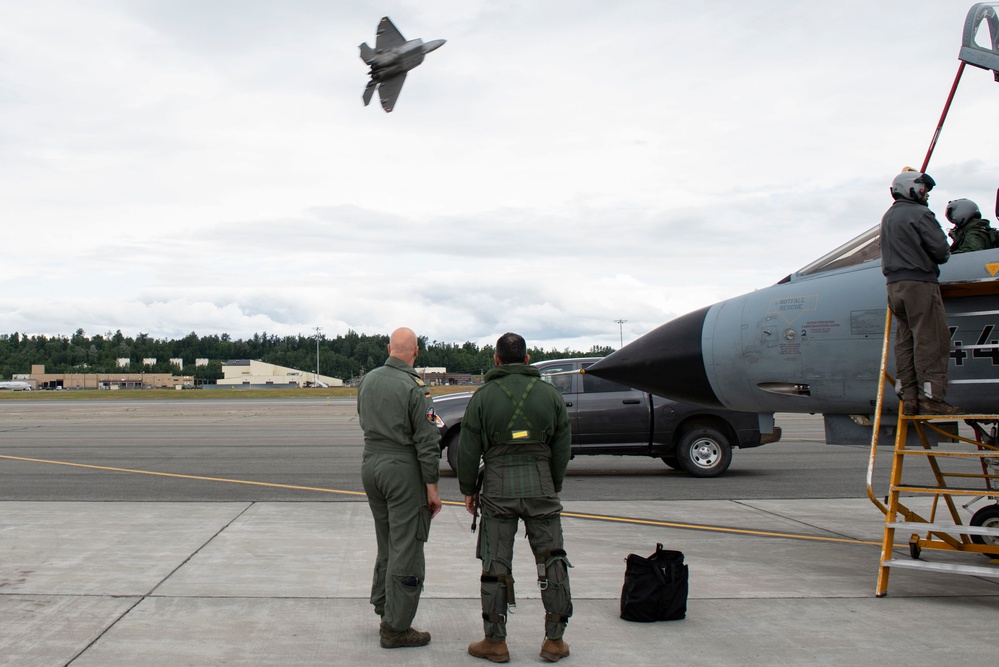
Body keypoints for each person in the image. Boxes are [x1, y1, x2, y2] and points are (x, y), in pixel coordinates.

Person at [458, 332, 573, 663]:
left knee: (496, 563)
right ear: (526, 359)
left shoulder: (482, 397)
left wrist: (469, 489)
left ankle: (495, 641)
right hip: (541, 485)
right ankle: (554, 640)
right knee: (552, 559)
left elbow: (468, 448)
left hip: (497, 487)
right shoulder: (550, 395)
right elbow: (563, 446)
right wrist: (554, 482)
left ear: (496, 359)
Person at [357, 327, 443, 649]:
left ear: (389, 347)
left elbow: (364, 421)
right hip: (401, 470)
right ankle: (396, 627)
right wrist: (432, 489)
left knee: (387, 540)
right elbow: (429, 437)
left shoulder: (368, 380)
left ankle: (385, 607)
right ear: (416, 352)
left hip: (371, 465)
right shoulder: (417, 388)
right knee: (407, 544)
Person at [880, 169, 961, 416]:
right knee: (931, 338)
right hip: (919, 284)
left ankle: (910, 397)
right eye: (923, 189)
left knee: (905, 340)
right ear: (910, 188)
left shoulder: (888, 217)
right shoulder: (920, 214)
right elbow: (941, 252)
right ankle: (932, 398)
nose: (926, 194)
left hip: (894, 287)